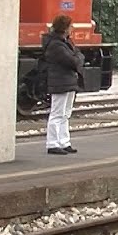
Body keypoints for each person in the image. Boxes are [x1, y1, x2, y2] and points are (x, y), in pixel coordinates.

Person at [41, 15, 84, 155]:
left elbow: (78, 56)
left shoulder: (65, 42)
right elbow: (73, 60)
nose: (72, 28)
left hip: (68, 81)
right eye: (70, 26)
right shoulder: (56, 45)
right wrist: (77, 58)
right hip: (60, 82)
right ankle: (52, 143)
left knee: (65, 114)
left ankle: (64, 142)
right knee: (57, 113)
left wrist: (77, 58)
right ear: (64, 28)